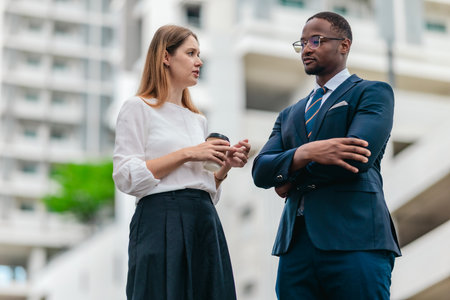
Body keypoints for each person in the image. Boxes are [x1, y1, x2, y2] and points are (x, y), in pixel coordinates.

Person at [252, 12, 401, 299]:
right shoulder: (289, 114)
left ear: (344, 45)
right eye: (303, 42)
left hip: (356, 239)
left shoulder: (372, 92)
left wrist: (288, 176)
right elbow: (260, 171)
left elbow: (356, 156)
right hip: (295, 247)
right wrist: (308, 152)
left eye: (316, 40)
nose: (307, 48)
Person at [113, 25, 250, 300]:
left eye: (198, 54)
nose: (199, 61)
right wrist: (189, 153)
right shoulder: (137, 107)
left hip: (203, 219)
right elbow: (126, 177)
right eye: (190, 53)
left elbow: (197, 184)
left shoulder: (198, 119)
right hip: (160, 217)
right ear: (166, 56)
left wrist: (222, 169)